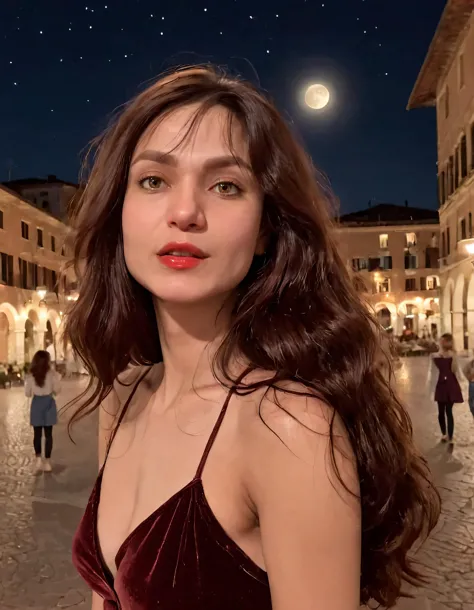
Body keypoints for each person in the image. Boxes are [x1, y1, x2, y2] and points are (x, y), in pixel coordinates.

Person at [66, 65, 440, 610]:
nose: (185, 212)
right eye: (153, 180)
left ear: (266, 228)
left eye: (226, 186)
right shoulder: (122, 399)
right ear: (119, 209)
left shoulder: (288, 425)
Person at [25, 350, 61, 472]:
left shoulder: (31, 375)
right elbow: (57, 390)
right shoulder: (51, 374)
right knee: (48, 435)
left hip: (36, 404)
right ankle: (47, 462)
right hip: (49, 403)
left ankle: (38, 460)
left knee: (37, 434)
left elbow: (27, 393)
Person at [432, 333, 463, 444]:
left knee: (448, 411)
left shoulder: (453, 355)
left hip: (451, 385)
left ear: (448, 342)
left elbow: (457, 370)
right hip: (441, 385)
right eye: (441, 340)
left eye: (443, 341)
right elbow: (433, 373)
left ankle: (450, 435)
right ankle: (444, 434)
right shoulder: (435, 355)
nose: (441, 342)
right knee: (441, 411)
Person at [463, 351, 474, 420]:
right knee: (471, 402)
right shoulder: (471, 363)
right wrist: (469, 378)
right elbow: (464, 371)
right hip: (472, 384)